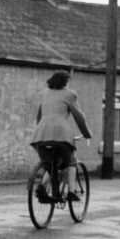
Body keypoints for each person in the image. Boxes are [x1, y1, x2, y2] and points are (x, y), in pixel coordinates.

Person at [30, 70, 92, 201]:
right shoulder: (70, 94)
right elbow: (79, 117)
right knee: (71, 162)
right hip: (61, 135)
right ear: (65, 83)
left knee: (50, 163)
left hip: (40, 135)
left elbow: (39, 117)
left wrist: (42, 131)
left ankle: (41, 187)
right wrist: (86, 134)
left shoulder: (44, 94)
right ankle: (71, 191)